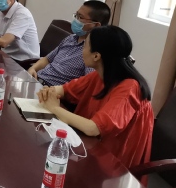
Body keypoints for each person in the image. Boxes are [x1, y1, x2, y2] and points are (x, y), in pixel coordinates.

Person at [37, 25, 154, 169]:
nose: (82, 50)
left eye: (85, 45)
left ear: (96, 56)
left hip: (113, 158)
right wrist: (49, 92)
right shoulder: (99, 75)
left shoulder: (130, 88)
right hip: (89, 142)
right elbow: (63, 90)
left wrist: (55, 108)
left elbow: (93, 128)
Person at [28, 0, 111, 86]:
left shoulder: (93, 53)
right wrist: (33, 68)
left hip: (51, 89)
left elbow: (87, 85)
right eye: (76, 15)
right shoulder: (70, 38)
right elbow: (47, 59)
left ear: (96, 25)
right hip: (36, 79)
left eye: (80, 17)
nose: (76, 20)